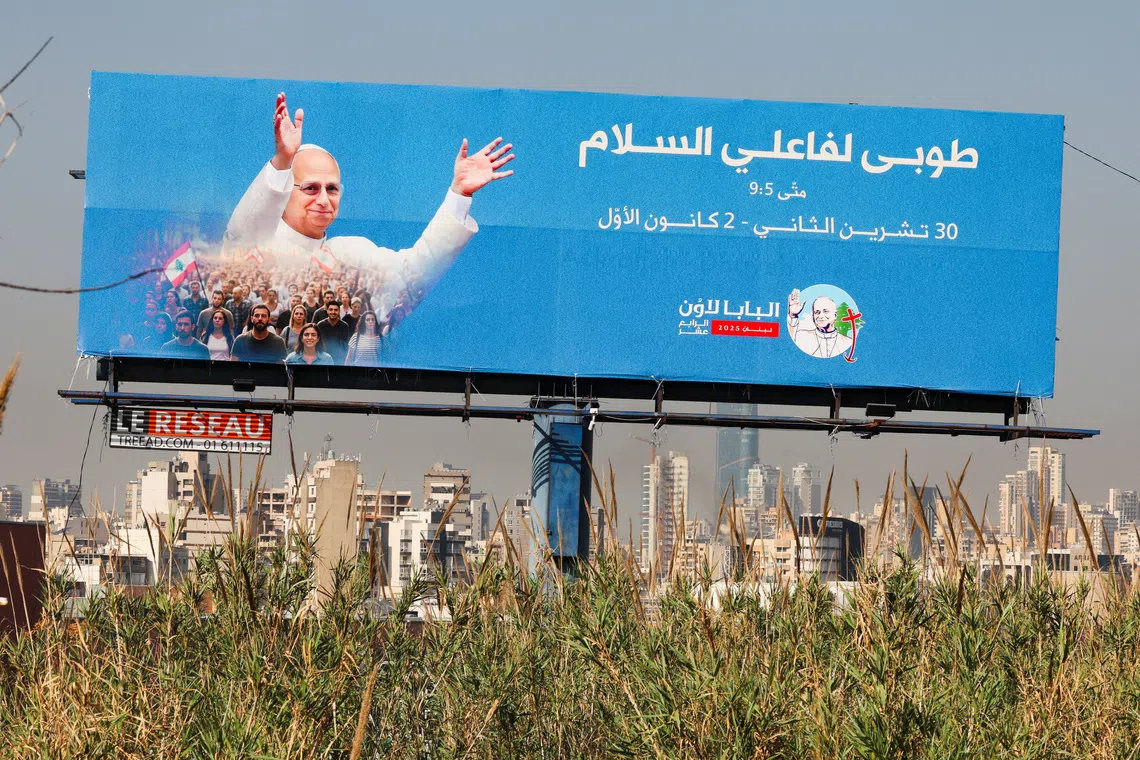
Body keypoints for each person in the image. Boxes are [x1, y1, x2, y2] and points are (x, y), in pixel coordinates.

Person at [223, 92, 514, 328]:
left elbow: (413, 274)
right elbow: (242, 237)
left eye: (332, 189)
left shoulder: (350, 253)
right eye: (311, 188)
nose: (324, 200)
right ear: (286, 193)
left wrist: (459, 195)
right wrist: (283, 161)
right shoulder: (260, 248)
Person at [787, 290, 853, 359]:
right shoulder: (801, 336)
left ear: (835, 315)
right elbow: (788, 345)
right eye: (817, 312)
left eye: (825, 311)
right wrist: (793, 316)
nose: (821, 316)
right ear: (813, 317)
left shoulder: (848, 342)